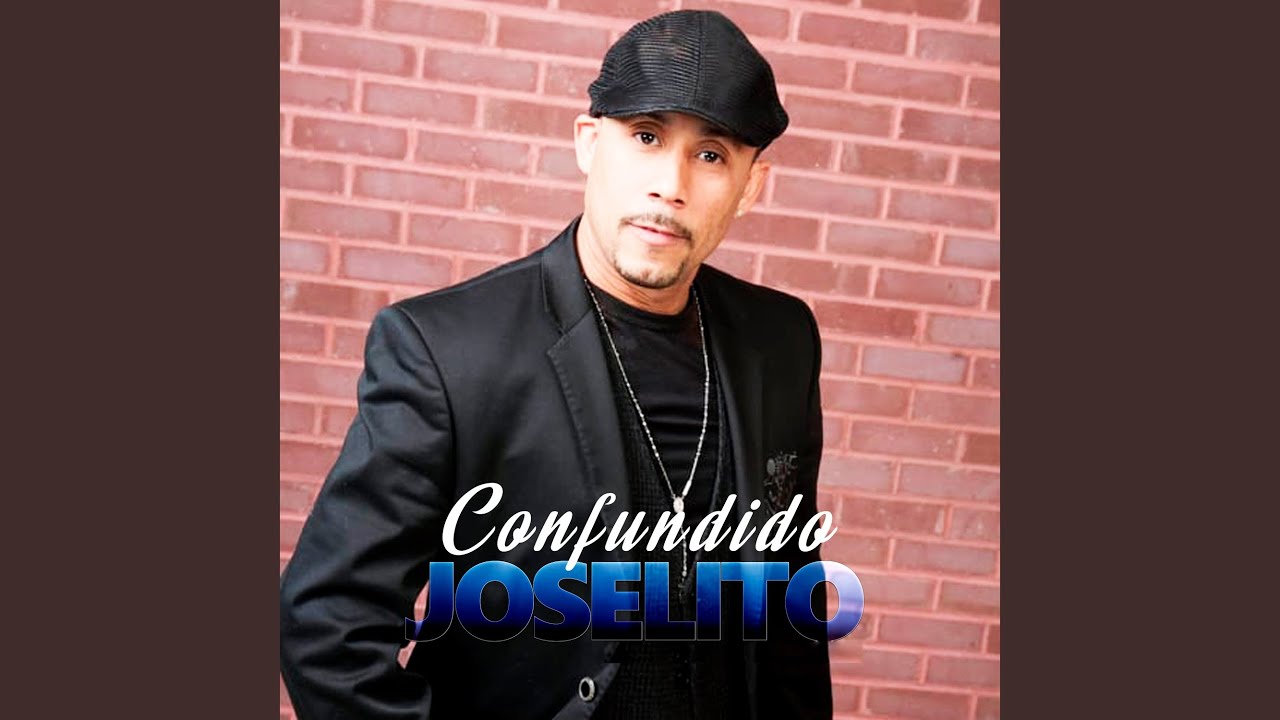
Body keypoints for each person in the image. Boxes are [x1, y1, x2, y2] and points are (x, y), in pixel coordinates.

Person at [280, 9, 832, 719]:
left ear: (751, 186)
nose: (671, 184)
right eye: (646, 136)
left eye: (711, 155)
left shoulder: (781, 341)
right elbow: (328, 626)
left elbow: (788, 608)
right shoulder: (446, 349)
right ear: (588, 144)